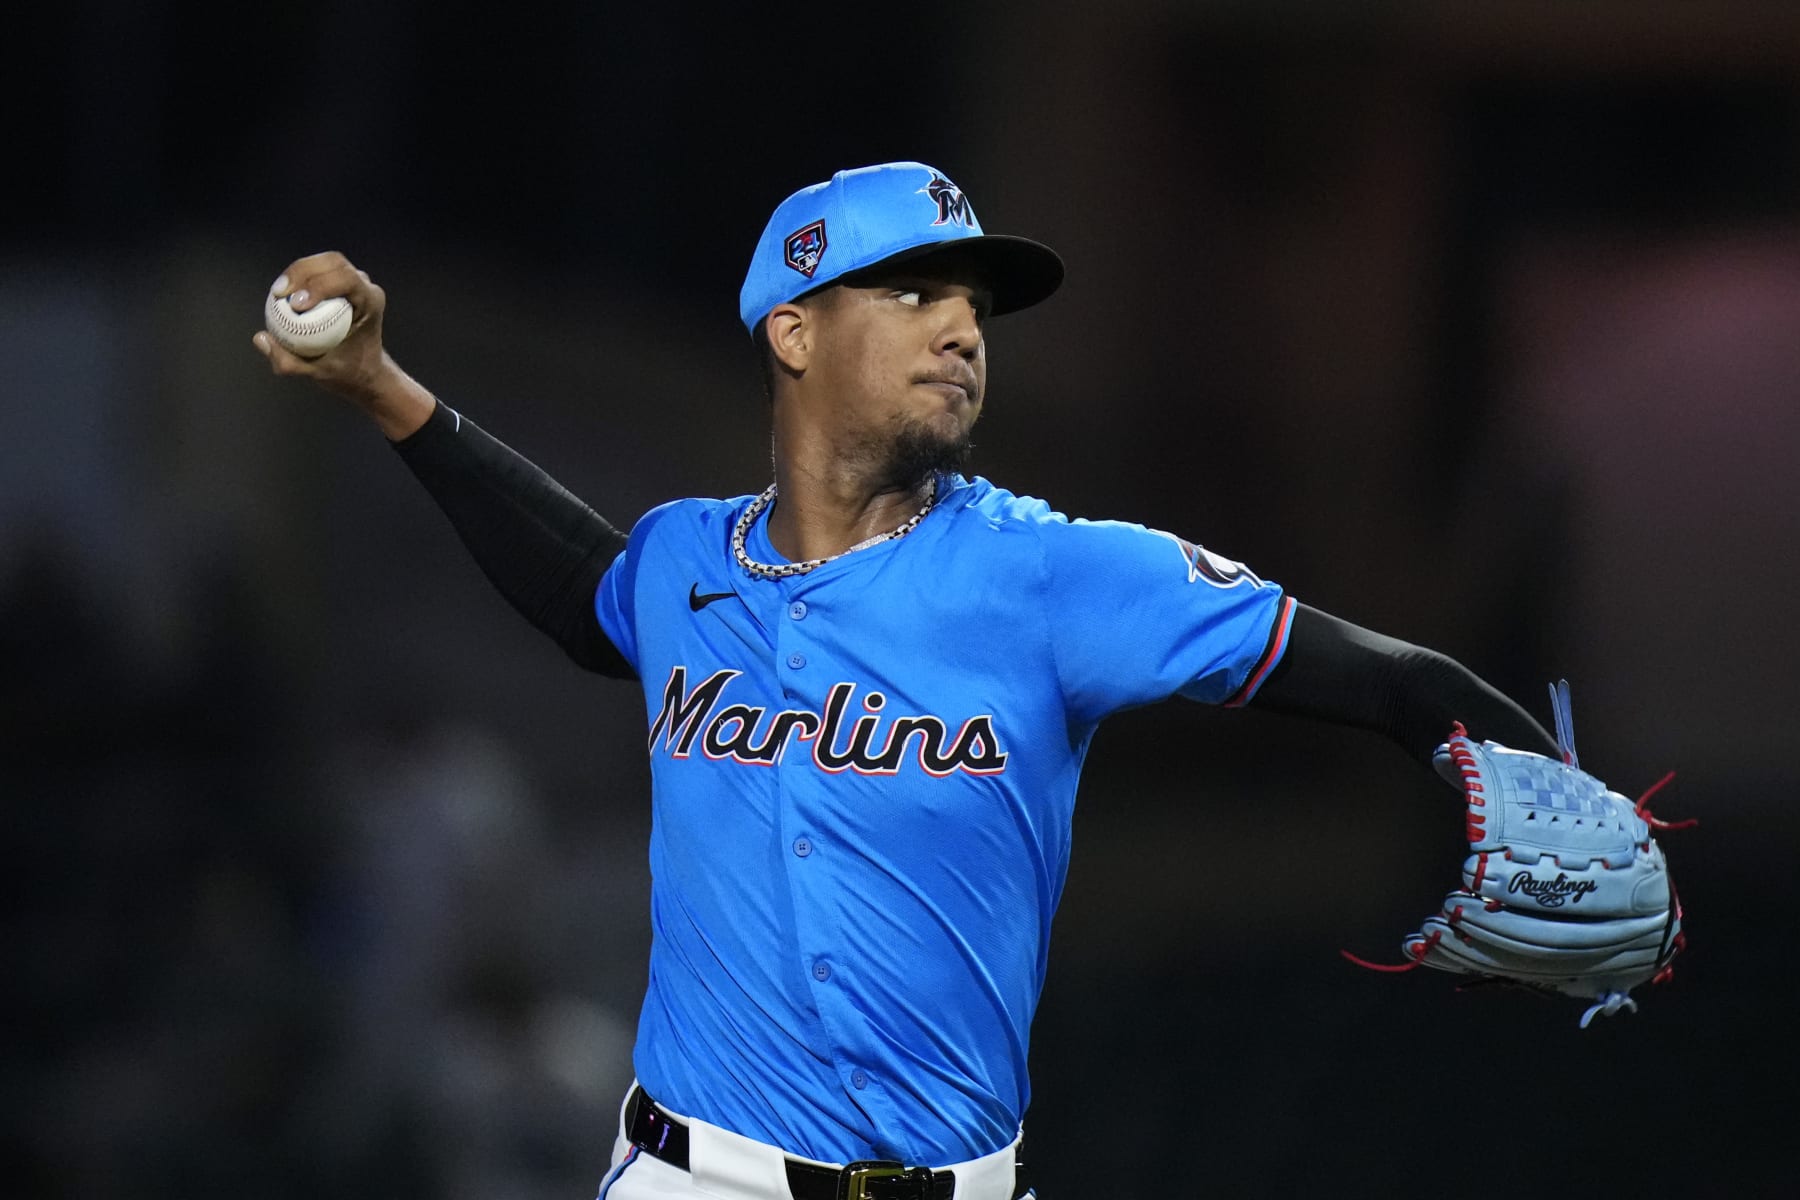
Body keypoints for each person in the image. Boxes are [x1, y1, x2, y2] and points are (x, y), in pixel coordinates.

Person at [254, 161, 1559, 1200]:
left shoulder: (1058, 578)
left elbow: (1389, 683)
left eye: (974, 307)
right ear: (797, 329)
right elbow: (581, 593)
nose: (961, 332)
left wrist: (1551, 808)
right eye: (916, 293)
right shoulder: (683, 563)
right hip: (686, 1176)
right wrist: (377, 386)